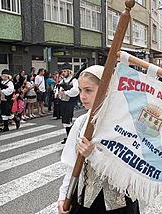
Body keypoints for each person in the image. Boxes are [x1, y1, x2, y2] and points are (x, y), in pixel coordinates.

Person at [57, 65, 140, 214]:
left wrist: (93, 154)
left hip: (119, 206)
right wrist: (63, 196)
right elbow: (72, 165)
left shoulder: (125, 123)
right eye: (81, 90)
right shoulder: (81, 122)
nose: (82, 96)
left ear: (106, 89)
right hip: (84, 204)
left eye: (88, 90)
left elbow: (129, 172)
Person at [56, 63, 79, 144]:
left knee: (67, 119)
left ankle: (71, 137)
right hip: (63, 101)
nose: (63, 73)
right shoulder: (63, 80)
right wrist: (58, 93)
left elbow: (76, 91)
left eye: (65, 71)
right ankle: (69, 136)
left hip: (70, 102)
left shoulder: (74, 80)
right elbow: (59, 88)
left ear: (69, 71)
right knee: (64, 120)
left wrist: (66, 92)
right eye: (62, 71)